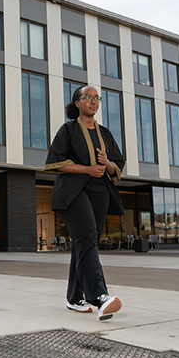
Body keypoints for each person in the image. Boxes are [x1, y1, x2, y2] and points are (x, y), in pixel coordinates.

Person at [44, 85, 125, 321]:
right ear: (77, 103)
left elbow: (116, 166)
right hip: (72, 190)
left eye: (96, 98)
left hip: (100, 190)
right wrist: (88, 168)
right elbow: (55, 163)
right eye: (87, 97)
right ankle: (99, 296)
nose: (93, 101)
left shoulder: (106, 134)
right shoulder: (68, 130)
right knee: (87, 237)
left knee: (86, 241)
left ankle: (74, 297)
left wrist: (106, 162)